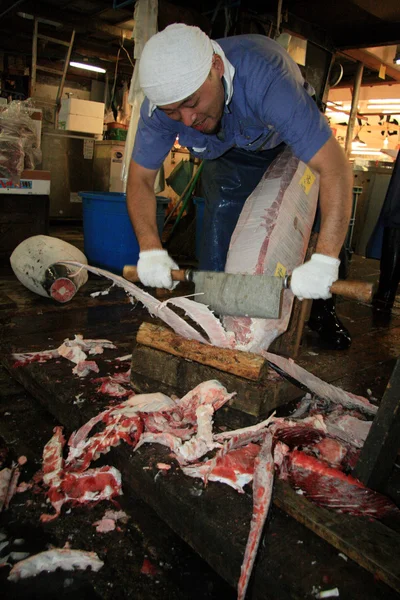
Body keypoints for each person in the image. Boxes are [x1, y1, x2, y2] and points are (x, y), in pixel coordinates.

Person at [126, 23, 353, 349]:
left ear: (216, 68)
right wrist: (150, 248)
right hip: (232, 149)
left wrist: (326, 259)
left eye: (192, 102)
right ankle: (222, 327)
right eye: (173, 112)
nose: (187, 120)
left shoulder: (266, 80)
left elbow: (335, 169)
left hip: (287, 140)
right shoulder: (163, 105)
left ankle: (323, 311)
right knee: (218, 233)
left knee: (319, 227)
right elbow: (140, 180)